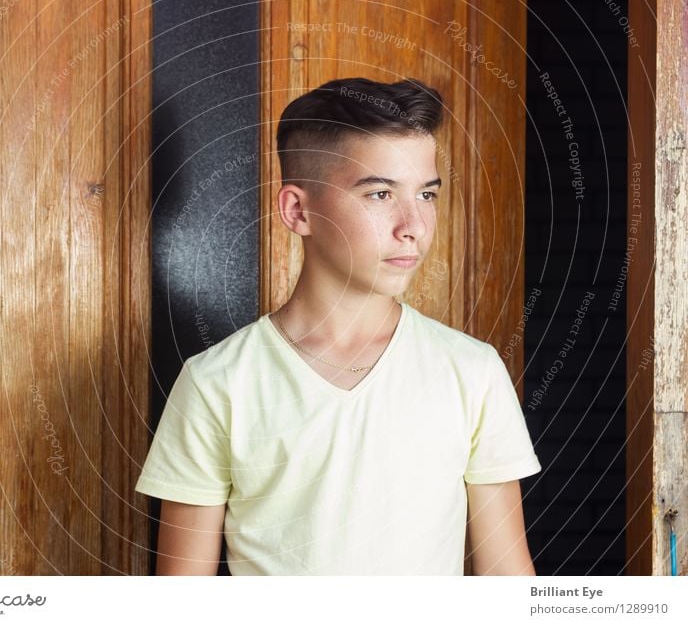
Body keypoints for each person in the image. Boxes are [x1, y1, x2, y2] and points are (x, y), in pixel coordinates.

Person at [135, 77, 542, 575]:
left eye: (427, 195)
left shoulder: (472, 372)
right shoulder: (216, 383)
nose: (413, 224)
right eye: (379, 194)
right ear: (297, 210)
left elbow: (507, 581)